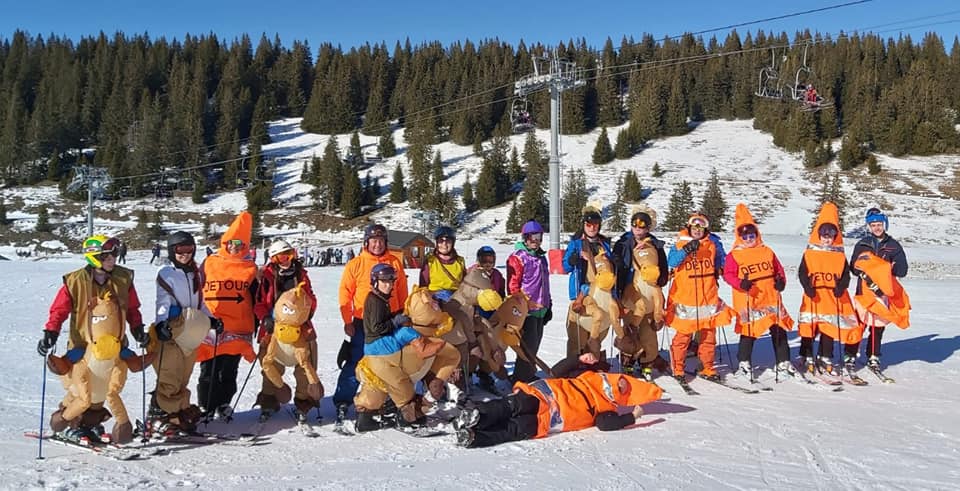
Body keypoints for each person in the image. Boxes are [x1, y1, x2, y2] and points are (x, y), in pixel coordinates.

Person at [37, 235, 146, 443]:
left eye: (114, 254)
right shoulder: (75, 281)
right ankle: (68, 423)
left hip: (112, 345)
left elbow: (132, 308)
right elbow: (59, 310)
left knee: (102, 388)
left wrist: (137, 328)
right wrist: (51, 332)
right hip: (83, 346)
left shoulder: (123, 278)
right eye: (107, 256)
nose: (113, 259)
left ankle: (90, 424)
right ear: (94, 258)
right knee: (79, 389)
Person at [353, 264, 459, 430]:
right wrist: (396, 321)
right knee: (401, 383)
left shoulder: (380, 299)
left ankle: (371, 416)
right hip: (380, 348)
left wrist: (397, 316)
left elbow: (383, 321)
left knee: (389, 382)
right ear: (375, 281)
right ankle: (407, 417)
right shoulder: (374, 301)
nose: (388, 285)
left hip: (381, 346)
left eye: (391, 281)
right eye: (384, 281)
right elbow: (376, 328)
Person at [453, 370, 662, 448]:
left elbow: (605, 424)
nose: (619, 386)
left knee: (513, 429)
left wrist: (632, 417)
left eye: (623, 389)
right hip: (542, 396)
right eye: (622, 381)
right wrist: (578, 359)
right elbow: (561, 369)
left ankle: (473, 437)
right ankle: (477, 415)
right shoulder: (589, 376)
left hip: (548, 421)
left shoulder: (607, 409)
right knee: (511, 405)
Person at [334, 224, 409, 424]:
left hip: (391, 318)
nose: (377, 244)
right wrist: (347, 320)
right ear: (366, 242)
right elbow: (344, 293)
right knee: (356, 360)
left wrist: (404, 313)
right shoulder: (356, 264)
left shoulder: (394, 262)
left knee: (391, 361)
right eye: (373, 241)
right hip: (362, 322)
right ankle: (343, 400)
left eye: (381, 241)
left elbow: (402, 289)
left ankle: (389, 399)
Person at [146, 231, 218, 435]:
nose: (185, 254)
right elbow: (163, 301)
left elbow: (201, 302)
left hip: (191, 329)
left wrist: (211, 320)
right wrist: (161, 324)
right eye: (180, 250)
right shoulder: (166, 272)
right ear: (171, 251)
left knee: (184, 374)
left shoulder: (195, 273)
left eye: (189, 249)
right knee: (170, 374)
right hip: (173, 328)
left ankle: (177, 413)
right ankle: (158, 416)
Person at [196, 211, 259, 420]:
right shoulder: (209, 262)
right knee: (209, 368)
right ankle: (206, 406)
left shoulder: (250, 267)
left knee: (229, 369)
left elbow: (256, 296)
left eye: (240, 244)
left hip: (238, 326)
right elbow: (196, 288)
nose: (235, 247)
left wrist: (258, 322)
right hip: (212, 324)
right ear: (225, 242)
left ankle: (223, 403)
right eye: (232, 242)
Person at [722, 204, 796, 381]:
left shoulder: (766, 250)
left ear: (757, 234)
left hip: (770, 296)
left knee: (779, 329)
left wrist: (781, 281)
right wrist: (741, 283)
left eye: (751, 235)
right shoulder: (735, 255)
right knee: (749, 330)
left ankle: (784, 361)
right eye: (744, 235)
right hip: (749, 298)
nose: (749, 238)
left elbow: (778, 269)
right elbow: (727, 274)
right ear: (739, 237)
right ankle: (744, 363)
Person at [253, 239, 319, 421]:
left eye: (290, 254)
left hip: (300, 328)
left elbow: (311, 297)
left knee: (305, 366)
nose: (287, 259)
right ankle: (269, 400)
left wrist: (307, 312)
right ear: (274, 258)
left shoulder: (301, 275)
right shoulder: (266, 277)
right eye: (283, 256)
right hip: (273, 329)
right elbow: (259, 302)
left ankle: (303, 401)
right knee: (270, 365)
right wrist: (265, 317)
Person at [665, 213, 734, 382]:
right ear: (689, 228)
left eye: (701, 228)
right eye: (694, 227)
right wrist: (686, 250)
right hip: (686, 300)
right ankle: (678, 367)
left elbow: (720, 263)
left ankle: (707, 366)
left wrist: (722, 270)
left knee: (708, 336)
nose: (697, 231)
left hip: (707, 299)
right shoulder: (680, 243)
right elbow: (672, 262)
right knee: (683, 336)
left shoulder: (712, 245)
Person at [796, 202, 857, 376]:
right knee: (810, 325)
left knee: (829, 326)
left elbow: (846, 274)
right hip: (814, 295)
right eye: (824, 234)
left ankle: (825, 356)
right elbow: (802, 272)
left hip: (831, 297)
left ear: (835, 235)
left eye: (831, 234)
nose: (827, 237)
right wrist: (807, 287)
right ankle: (806, 353)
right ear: (819, 234)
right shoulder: (810, 253)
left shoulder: (839, 255)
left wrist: (841, 287)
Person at [847, 207, 910, 371]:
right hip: (864, 292)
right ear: (869, 227)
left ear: (885, 224)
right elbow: (854, 266)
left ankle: (873, 355)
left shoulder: (893, 246)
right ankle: (850, 354)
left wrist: (886, 269)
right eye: (873, 225)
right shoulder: (862, 244)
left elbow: (902, 269)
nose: (876, 227)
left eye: (879, 224)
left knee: (878, 325)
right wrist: (864, 271)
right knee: (858, 323)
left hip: (882, 293)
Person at [611, 209, 670, 380]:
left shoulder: (656, 245)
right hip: (630, 295)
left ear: (648, 227)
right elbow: (615, 267)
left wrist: (660, 279)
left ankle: (647, 363)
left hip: (649, 294)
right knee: (630, 331)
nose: (638, 228)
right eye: (635, 224)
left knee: (648, 333)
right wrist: (617, 265)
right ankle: (628, 362)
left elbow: (663, 267)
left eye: (642, 225)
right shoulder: (623, 243)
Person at [419, 225, 473, 401]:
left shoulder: (460, 261)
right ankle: (433, 380)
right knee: (436, 344)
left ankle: (459, 379)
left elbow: (464, 284)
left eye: (447, 241)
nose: (444, 244)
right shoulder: (430, 261)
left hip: (456, 304)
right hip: (436, 305)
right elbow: (423, 286)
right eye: (441, 241)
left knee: (460, 342)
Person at [562, 205, 615, 358]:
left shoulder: (603, 244)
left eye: (595, 225)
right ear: (584, 225)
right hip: (582, 292)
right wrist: (573, 258)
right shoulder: (576, 243)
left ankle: (594, 361)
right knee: (577, 336)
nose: (592, 228)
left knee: (598, 331)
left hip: (601, 293)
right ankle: (573, 364)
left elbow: (609, 267)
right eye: (588, 225)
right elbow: (565, 266)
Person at [506, 220, 552, 383]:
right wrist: (526, 304)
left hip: (541, 308)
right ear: (525, 238)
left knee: (535, 342)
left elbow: (545, 283)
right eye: (532, 237)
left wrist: (549, 303)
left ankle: (527, 372)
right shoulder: (518, 258)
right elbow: (513, 287)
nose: (535, 240)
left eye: (538, 236)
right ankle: (521, 377)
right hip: (526, 310)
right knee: (528, 344)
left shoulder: (541, 258)